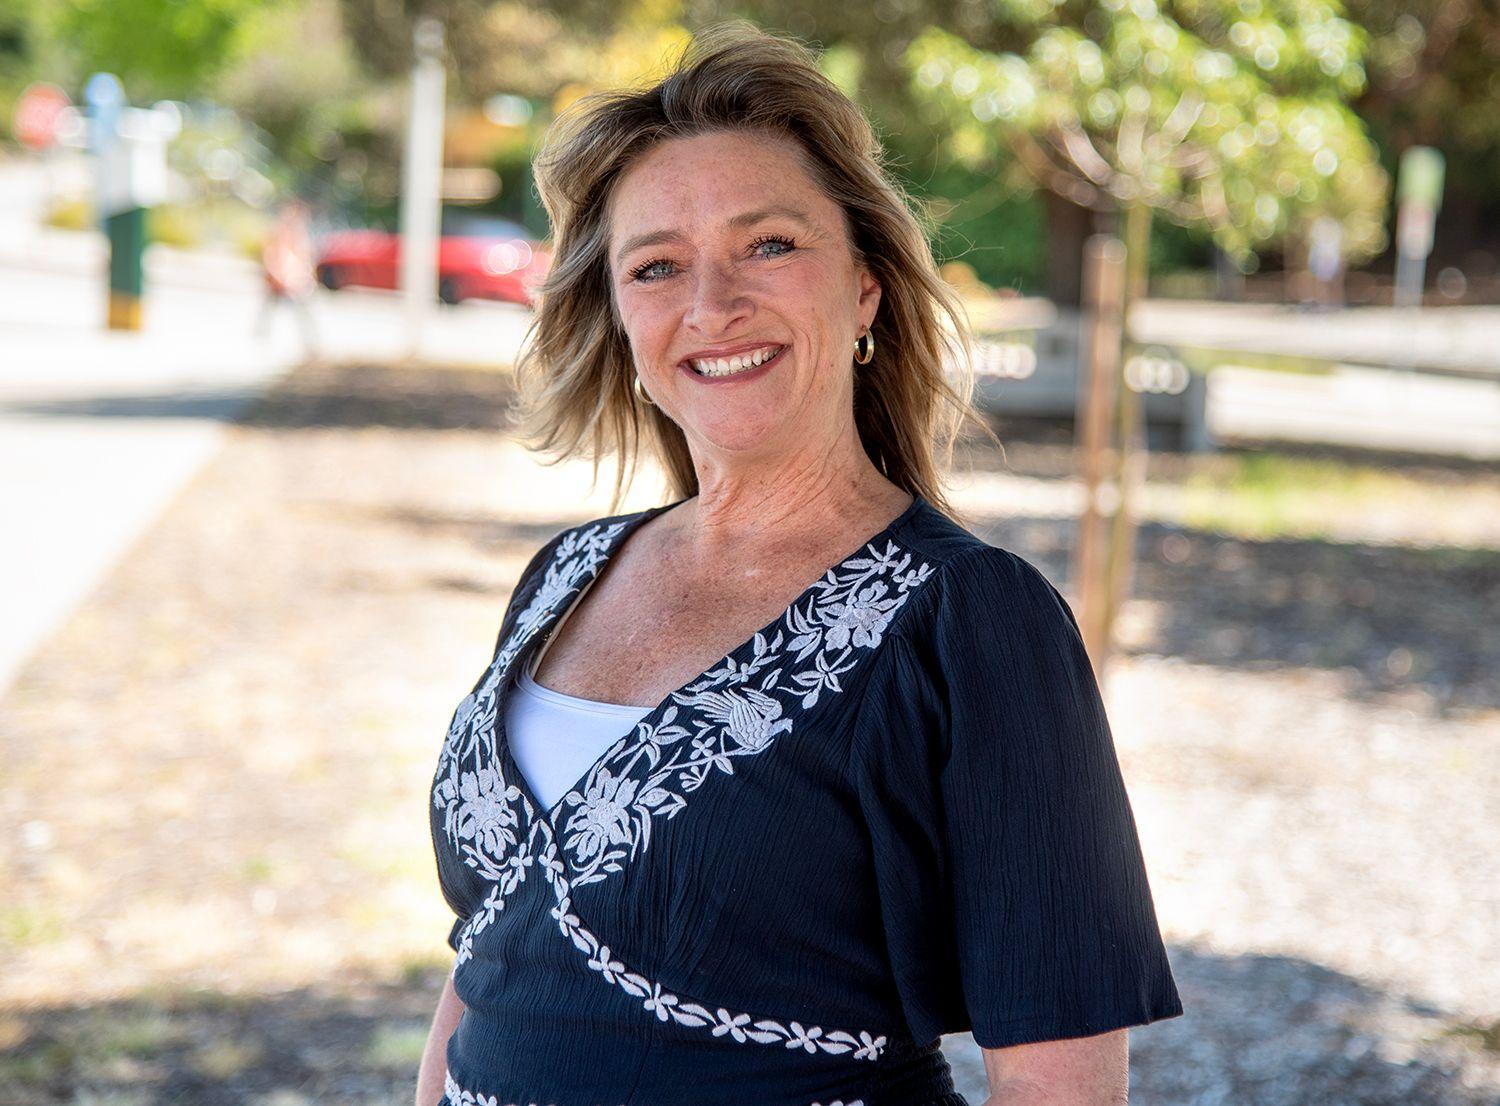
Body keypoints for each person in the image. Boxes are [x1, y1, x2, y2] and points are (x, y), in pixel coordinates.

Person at [418, 22, 1183, 1106]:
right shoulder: (564, 574)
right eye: (657, 265)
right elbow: (492, 952)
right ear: (622, 318)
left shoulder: (971, 618)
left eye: (768, 245)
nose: (712, 304)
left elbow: (1057, 1078)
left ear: (865, 288)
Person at [255, 197, 319, 356]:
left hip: (293, 279)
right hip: (283, 277)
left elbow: (304, 256)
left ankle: (309, 342)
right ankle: (262, 337)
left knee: (297, 309)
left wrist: (305, 274)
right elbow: (271, 253)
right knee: (275, 307)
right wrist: (275, 273)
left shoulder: (297, 232)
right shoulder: (280, 231)